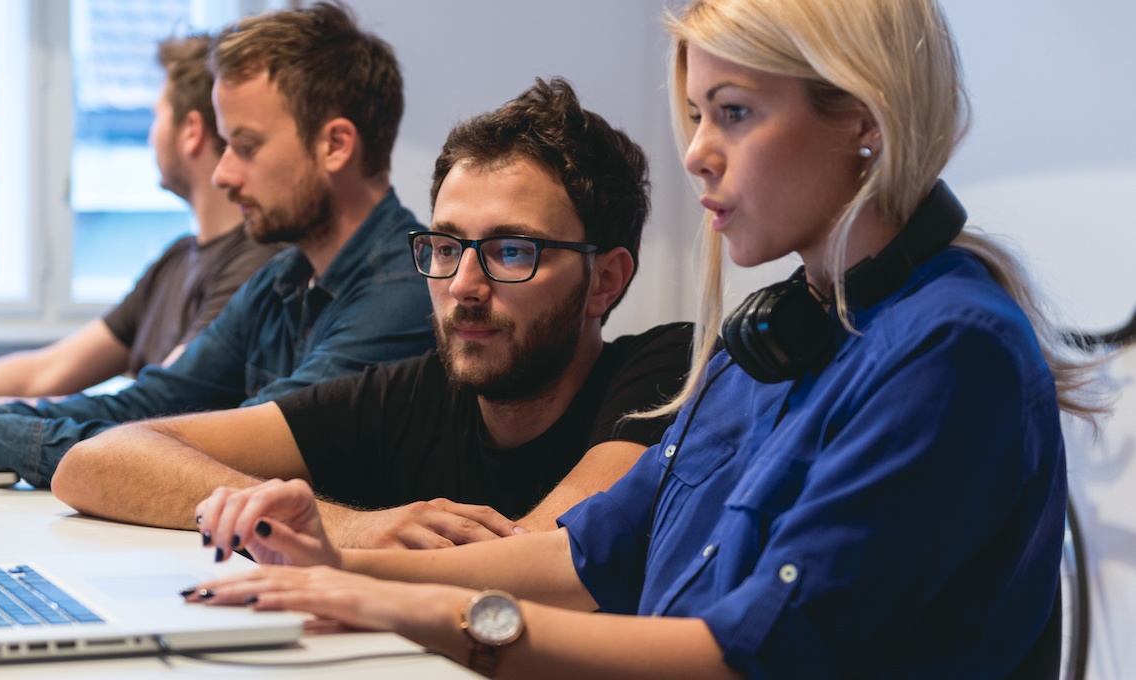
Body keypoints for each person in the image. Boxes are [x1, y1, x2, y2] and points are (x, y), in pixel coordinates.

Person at [182, 0, 1106, 677]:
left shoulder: (948, 350)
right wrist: (345, 565)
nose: (698, 149)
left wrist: (420, 609)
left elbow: (753, 653)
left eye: (734, 112)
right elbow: (587, 554)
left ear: (862, 123)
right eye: (699, 114)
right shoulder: (782, 334)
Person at [50, 78, 693, 549]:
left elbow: (538, 559)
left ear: (604, 280)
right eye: (445, 247)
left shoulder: (664, 374)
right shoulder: (412, 397)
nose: (464, 285)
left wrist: (329, 555)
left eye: (511, 250)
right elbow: (97, 460)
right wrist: (349, 525)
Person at [0, 2, 435, 488]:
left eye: (246, 145)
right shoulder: (284, 277)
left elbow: (225, 446)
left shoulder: (405, 294)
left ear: (335, 144)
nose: (223, 174)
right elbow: (147, 404)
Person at [0, 35, 282, 400]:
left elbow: (153, 405)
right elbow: (46, 371)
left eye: (156, 115)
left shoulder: (254, 263)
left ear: (191, 132)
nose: (150, 136)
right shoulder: (176, 260)